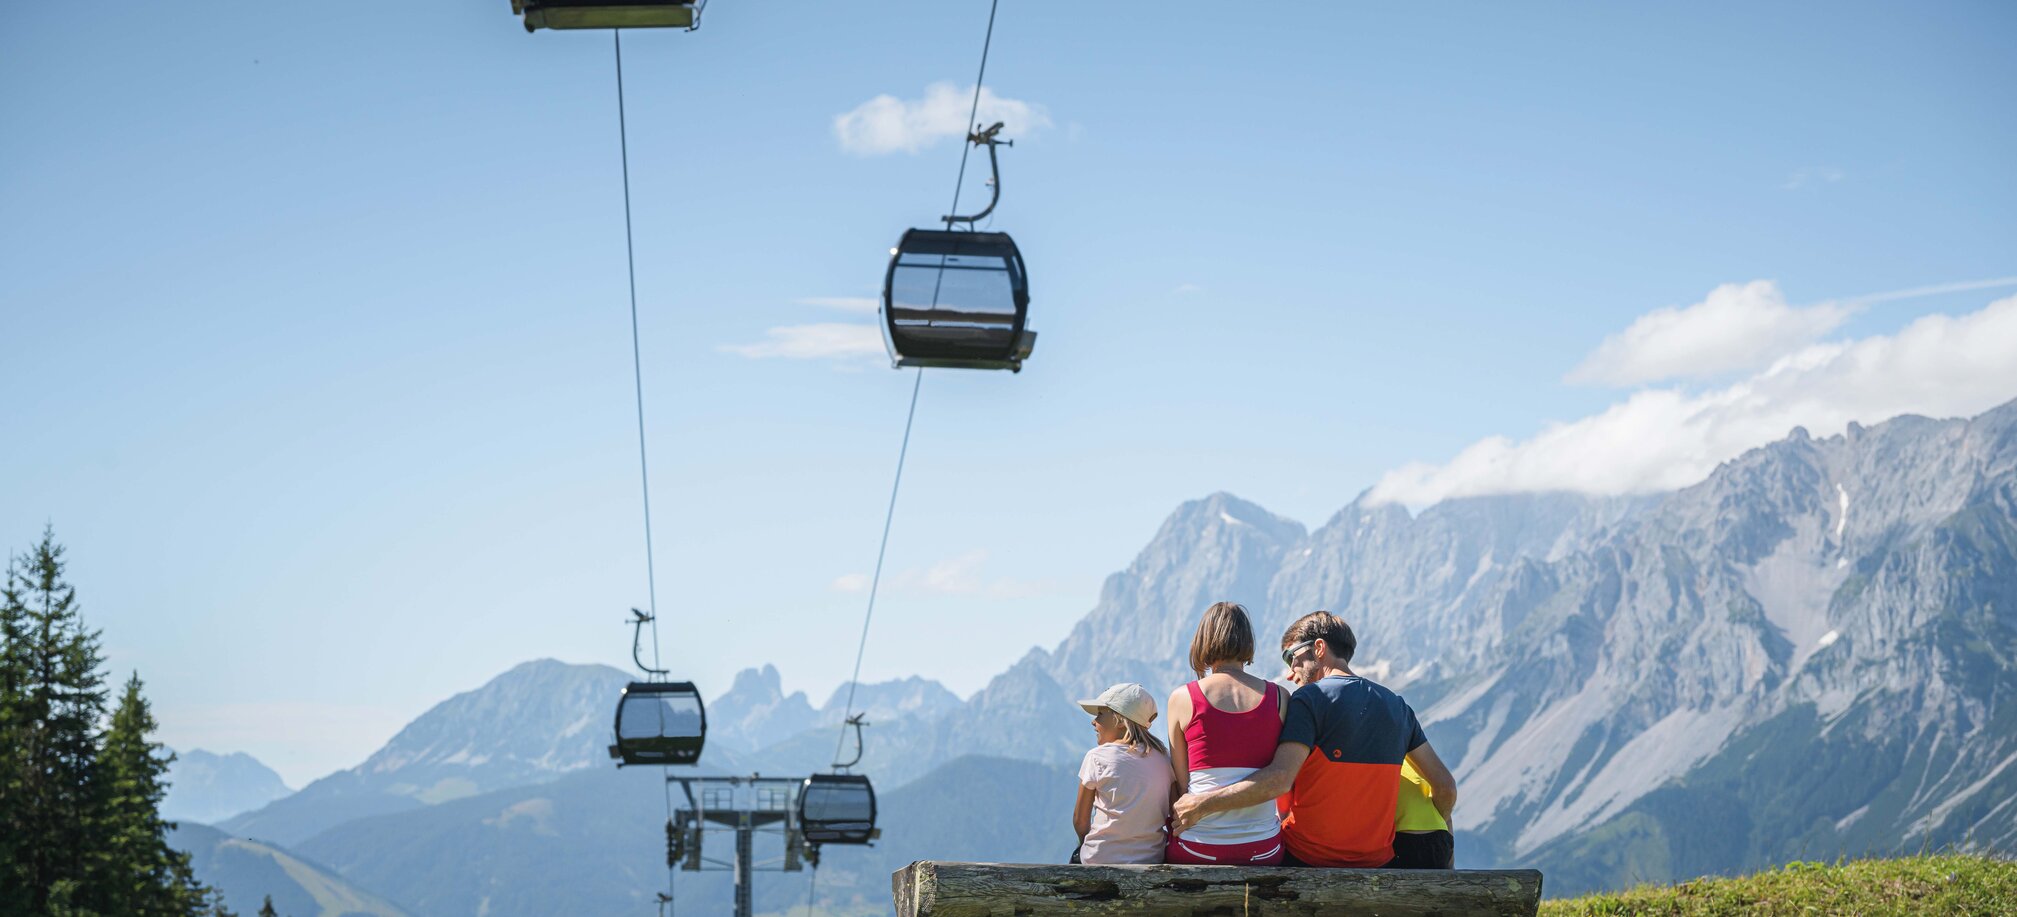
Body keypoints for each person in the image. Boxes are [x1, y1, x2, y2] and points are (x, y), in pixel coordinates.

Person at [1170, 611, 1456, 868]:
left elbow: (1280, 779)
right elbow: (1444, 786)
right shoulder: (1398, 706)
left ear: (1319, 649)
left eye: (1290, 657)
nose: (1289, 671)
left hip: (1307, 856)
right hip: (1376, 858)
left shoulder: (1310, 699)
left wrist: (1201, 804)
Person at [1164, 602, 1287, 865]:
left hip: (1199, 848)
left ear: (1203, 641)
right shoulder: (1279, 698)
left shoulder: (1182, 698)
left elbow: (1182, 785)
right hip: (1263, 850)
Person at [1070, 683, 1172, 864]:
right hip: (1151, 859)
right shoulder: (1164, 759)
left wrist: (1085, 845)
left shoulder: (1096, 757)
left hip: (1100, 858)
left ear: (1119, 719)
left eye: (1100, 714)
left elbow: (1080, 821)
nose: (1094, 721)